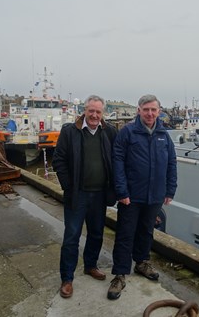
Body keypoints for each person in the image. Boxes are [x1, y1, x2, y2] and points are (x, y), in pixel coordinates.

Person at [107, 94, 177, 300]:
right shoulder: (128, 132)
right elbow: (117, 162)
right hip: (131, 196)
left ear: (159, 111)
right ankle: (119, 274)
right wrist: (122, 191)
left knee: (146, 231)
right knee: (125, 234)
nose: (150, 113)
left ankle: (141, 262)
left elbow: (172, 163)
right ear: (139, 110)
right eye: (146, 109)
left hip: (155, 195)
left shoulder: (164, 134)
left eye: (153, 110)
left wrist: (170, 190)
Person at [52, 95, 117, 299]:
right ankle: (67, 278)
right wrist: (69, 187)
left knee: (96, 233)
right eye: (91, 111)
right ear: (84, 110)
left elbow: (116, 160)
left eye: (98, 112)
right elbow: (59, 160)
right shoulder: (70, 132)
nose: (94, 115)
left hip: (99, 194)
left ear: (102, 113)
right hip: (77, 195)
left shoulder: (110, 132)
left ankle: (90, 266)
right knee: (71, 236)